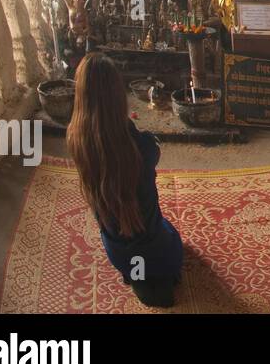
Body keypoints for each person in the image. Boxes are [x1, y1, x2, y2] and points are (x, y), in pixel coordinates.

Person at [66, 52, 184, 307]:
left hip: (116, 251)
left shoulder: (76, 141)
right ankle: (157, 278)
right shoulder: (142, 147)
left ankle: (139, 276)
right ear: (118, 96)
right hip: (157, 250)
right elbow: (151, 151)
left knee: (144, 245)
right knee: (170, 234)